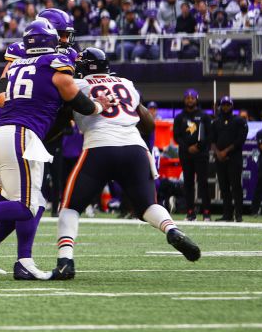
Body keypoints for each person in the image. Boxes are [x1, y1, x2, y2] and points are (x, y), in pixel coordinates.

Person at [0, 19, 113, 281]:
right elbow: (75, 98)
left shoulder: (18, 62)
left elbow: (4, 93)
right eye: (61, 35)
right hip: (20, 135)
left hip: (3, 133)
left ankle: (6, 256)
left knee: (30, 201)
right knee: (26, 205)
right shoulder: (54, 63)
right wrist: (98, 105)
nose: (66, 40)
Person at [52, 48, 200, 280]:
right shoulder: (126, 83)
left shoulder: (78, 85)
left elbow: (61, 121)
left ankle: (65, 261)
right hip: (135, 148)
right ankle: (172, 229)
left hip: (99, 147)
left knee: (70, 207)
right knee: (147, 205)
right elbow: (148, 124)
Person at [172, 88, 213, 220]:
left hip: (201, 154)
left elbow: (210, 134)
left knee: (203, 183)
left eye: (192, 98)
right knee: (188, 183)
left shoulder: (204, 116)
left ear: (196, 99)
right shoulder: (179, 117)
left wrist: (198, 146)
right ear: (184, 100)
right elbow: (176, 136)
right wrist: (188, 147)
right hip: (185, 154)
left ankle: (206, 213)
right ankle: (190, 212)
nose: (190, 100)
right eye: (187, 98)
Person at [210, 96, 248, 222]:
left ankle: (239, 214)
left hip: (234, 158)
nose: (226, 107)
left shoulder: (239, 121)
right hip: (220, 159)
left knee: (236, 186)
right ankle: (227, 214)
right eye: (224, 105)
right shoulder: (216, 122)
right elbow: (212, 139)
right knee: (224, 187)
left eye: (228, 104)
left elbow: (240, 139)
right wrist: (218, 153)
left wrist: (226, 151)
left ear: (232, 106)